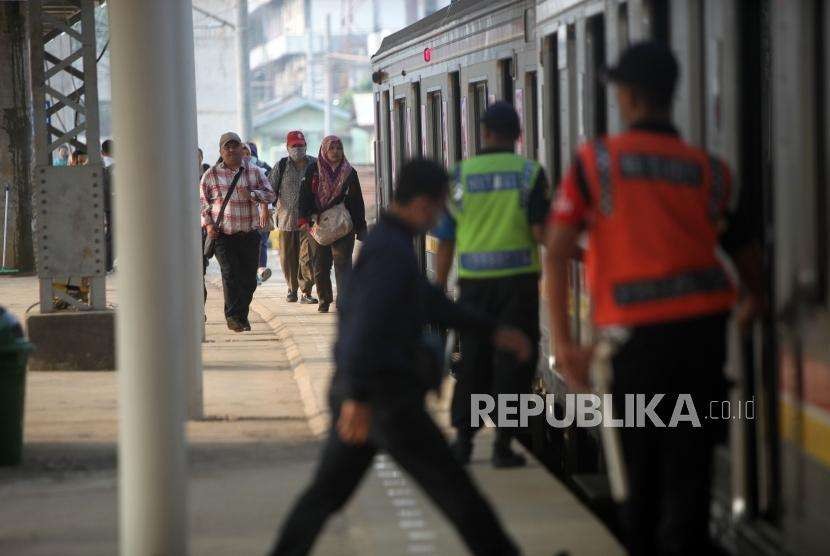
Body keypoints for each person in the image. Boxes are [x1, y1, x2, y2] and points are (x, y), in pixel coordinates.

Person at [545, 42, 762, 556]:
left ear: (630, 96)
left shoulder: (596, 163)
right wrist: (753, 303)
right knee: (687, 494)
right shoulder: (710, 170)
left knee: (638, 498)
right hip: (702, 349)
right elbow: (750, 262)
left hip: (635, 353)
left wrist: (566, 346)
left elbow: (554, 255)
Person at [268, 159, 529, 556]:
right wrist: (356, 395)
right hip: (384, 399)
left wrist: (492, 330)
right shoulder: (391, 251)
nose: (441, 215)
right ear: (424, 203)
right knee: (456, 492)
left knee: (324, 497)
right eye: (440, 206)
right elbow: (361, 329)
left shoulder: (389, 243)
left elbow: (428, 302)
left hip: (369, 396)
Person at [433, 101, 550, 468]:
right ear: (518, 136)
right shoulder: (530, 174)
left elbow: (446, 239)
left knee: (474, 361)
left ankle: (464, 442)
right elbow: (539, 231)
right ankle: (503, 444)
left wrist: (439, 289)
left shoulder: (459, 177)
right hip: (518, 284)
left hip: (474, 286)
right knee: (515, 362)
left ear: (483, 133)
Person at [200, 132, 276, 332]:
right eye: (227, 147)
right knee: (230, 274)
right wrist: (208, 224)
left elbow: (270, 194)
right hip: (223, 235)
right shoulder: (211, 175)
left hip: (249, 233)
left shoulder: (255, 171)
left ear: (242, 149)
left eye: (235, 146)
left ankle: (241, 315)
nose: (231, 150)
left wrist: (252, 194)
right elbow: (202, 204)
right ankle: (233, 317)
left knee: (249, 279)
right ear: (221, 151)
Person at [299, 135, 366, 313]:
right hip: (318, 224)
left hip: (343, 224)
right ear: (324, 150)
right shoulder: (313, 170)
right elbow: (304, 196)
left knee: (343, 265)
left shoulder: (349, 172)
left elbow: (357, 201)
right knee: (320, 266)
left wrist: (361, 226)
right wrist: (304, 219)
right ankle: (324, 300)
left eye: (339, 148)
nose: (336, 152)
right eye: (332, 148)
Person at [271, 130, 318, 304]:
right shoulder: (281, 166)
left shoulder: (315, 164)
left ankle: (306, 291)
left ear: (306, 146)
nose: (298, 149)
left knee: (307, 256)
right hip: (286, 219)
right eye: (294, 146)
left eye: (300, 145)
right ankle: (292, 288)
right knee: (288, 258)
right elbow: (270, 189)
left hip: (309, 220)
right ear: (287, 147)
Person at [242, 143, 274, 284]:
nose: (246, 157)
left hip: (263, 211)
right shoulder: (233, 171)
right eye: (243, 154)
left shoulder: (263, 169)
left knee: (262, 241)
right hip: (242, 215)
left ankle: (260, 270)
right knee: (249, 244)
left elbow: (270, 191)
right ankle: (253, 272)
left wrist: (267, 207)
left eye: (249, 154)